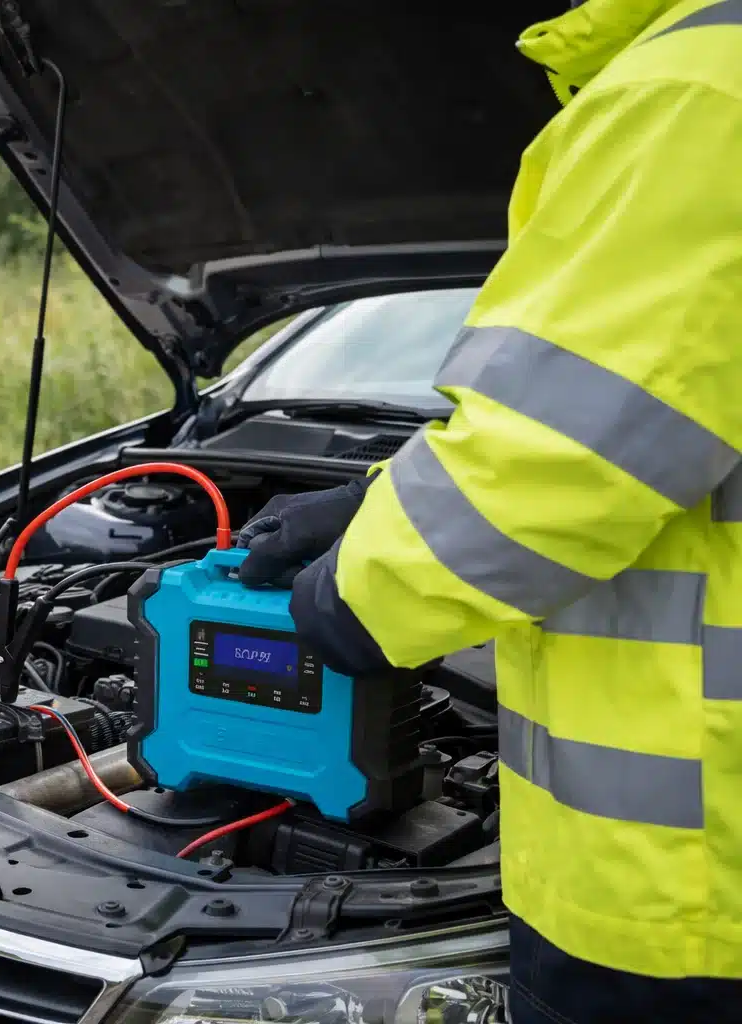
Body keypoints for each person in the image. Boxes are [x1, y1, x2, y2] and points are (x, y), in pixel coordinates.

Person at [235, 0, 742, 1020]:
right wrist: (381, 491)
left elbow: (553, 458)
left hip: (680, 888)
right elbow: (633, 405)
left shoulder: (700, 85)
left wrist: (349, 598)